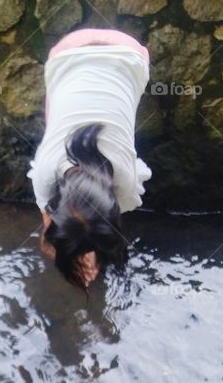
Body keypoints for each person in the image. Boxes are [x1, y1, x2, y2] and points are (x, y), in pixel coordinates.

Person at [29, 29, 152, 290]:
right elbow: (51, 230)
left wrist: (78, 253)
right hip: (75, 52)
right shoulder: (46, 170)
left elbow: (48, 230)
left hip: (118, 51)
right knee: (56, 124)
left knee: (56, 117)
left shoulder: (124, 180)